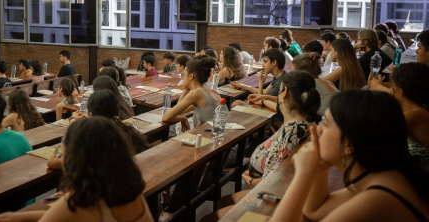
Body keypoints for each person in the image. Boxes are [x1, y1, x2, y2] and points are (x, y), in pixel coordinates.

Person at [271, 90, 429, 222]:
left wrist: (303, 174)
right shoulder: (378, 175)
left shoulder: (378, 197)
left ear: (349, 145)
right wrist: (318, 168)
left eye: (326, 124)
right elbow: (315, 210)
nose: (317, 130)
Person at [206, 71, 321, 220]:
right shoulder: (303, 125)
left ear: (284, 93)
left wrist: (251, 181)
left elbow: (270, 181)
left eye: (279, 91)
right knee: (223, 201)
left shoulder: (291, 133)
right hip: (277, 188)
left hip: (271, 195)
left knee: (207, 219)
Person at [0, 117, 153, 222]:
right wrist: (19, 218)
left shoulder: (78, 202)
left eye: (62, 151)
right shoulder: (128, 190)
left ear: (75, 159)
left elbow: (66, 214)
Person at [48, 90, 150, 169]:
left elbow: (52, 162)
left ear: (91, 115)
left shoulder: (92, 140)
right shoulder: (126, 130)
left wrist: (71, 128)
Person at [369, 62, 429, 171]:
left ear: (401, 91)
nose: (391, 89)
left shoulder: (414, 116)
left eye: (393, 86)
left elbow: (374, 130)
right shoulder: (420, 107)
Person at [162, 57, 221, 130]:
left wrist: (183, 119)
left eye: (183, 75)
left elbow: (166, 117)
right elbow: (180, 110)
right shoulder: (211, 92)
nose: (182, 78)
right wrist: (187, 87)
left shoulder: (196, 93)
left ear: (191, 76)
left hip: (210, 136)